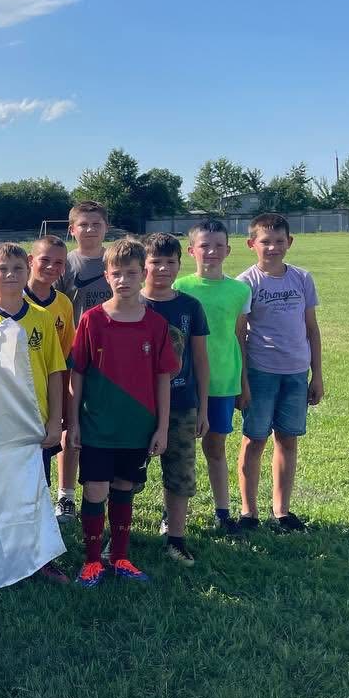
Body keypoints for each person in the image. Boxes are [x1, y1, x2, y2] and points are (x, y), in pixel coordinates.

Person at [67, 238, 179, 589]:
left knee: (124, 487)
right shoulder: (92, 320)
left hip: (138, 425)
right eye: (116, 273)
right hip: (97, 425)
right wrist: (73, 421)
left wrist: (162, 427)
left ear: (142, 273)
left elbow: (163, 378)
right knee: (95, 489)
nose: (123, 280)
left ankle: (120, 557)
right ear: (106, 276)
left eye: (131, 273)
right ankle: (91, 561)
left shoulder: (155, 325)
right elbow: (77, 374)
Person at [0, 242, 67, 583]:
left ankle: (40, 558)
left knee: (36, 490)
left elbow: (55, 372)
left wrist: (55, 421)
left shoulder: (42, 318)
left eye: (17, 269)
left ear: (28, 272)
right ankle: (2, 558)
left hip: (35, 422)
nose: (10, 275)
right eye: (2, 269)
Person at [237, 213, 323, 533]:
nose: (272, 247)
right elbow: (239, 335)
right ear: (252, 244)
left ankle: (282, 510)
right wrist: (242, 381)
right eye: (265, 241)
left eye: (279, 241)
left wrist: (317, 374)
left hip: (296, 372)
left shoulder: (302, 278)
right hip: (261, 371)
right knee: (254, 440)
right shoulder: (246, 283)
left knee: (287, 439)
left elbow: (312, 329)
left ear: (290, 242)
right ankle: (248, 512)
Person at [174, 219, 252, 534]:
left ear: (228, 250)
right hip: (184, 383)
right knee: (179, 452)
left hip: (223, 382)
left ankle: (223, 511)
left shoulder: (240, 290)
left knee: (216, 448)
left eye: (219, 245)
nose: (212, 251)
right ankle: (172, 513)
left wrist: (243, 384)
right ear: (191, 250)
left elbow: (240, 337)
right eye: (204, 245)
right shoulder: (179, 287)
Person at [141, 233, 210, 567]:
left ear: (180, 264)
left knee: (180, 472)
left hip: (182, 404)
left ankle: (176, 538)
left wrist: (203, 408)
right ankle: (117, 536)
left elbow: (200, 360)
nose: (163, 268)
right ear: (143, 265)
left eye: (170, 262)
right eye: (155, 262)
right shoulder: (131, 303)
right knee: (125, 474)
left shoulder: (190, 306)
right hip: (138, 407)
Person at [56, 200, 114, 522]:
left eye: (96, 224)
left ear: (106, 227)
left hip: (114, 360)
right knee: (71, 426)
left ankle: (111, 489)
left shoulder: (116, 259)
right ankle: (65, 496)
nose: (90, 229)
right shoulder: (65, 264)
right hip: (74, 357)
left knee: (107, 425)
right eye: (83, 224)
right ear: (72, 229)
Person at [25, 236, 76, 358]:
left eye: (58, 262)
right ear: (30, 260)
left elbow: (66, 351)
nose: (51, 266)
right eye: (45, 260)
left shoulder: (64, 303)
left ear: (64, 267)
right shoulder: (14, 299)